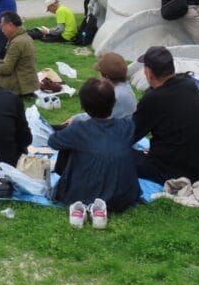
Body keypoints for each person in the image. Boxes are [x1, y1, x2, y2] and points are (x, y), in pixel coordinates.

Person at [49, 78, 141, 214]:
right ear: (113, 102)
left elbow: (53, 141)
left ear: (83, 106)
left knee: (67, 147)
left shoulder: (79, 129)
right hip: (126, 197)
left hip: (83, 196)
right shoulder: (127, 126)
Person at [131, 46, 199, 183]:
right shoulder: (189, 85)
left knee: (119, 155)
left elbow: (130, 134)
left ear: (149, 73)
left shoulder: (153, 99)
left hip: (173, 171)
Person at [0, 11, 39, 97]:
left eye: (3, 27)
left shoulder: (16, 42)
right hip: (29, 83)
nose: (2, 31)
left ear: (10, 25)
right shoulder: (25, 37)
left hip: (21, 86)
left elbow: (6, 69)